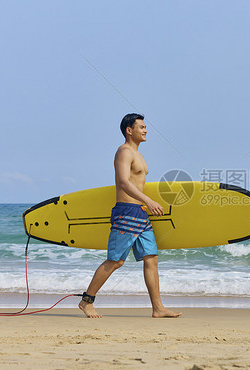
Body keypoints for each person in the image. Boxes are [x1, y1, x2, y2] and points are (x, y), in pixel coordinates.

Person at [78, 113, 182, 319]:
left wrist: (146, 204)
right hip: (126, 213)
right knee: (115, 261)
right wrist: (149, 201)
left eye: (145, 127)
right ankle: (86, 301)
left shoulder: (139, 155)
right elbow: (124, 182)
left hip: (140, 214)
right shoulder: (124, 152)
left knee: (151, 259)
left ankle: (158, 308)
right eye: (141, 127)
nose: (145, 130)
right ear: (129, 130)